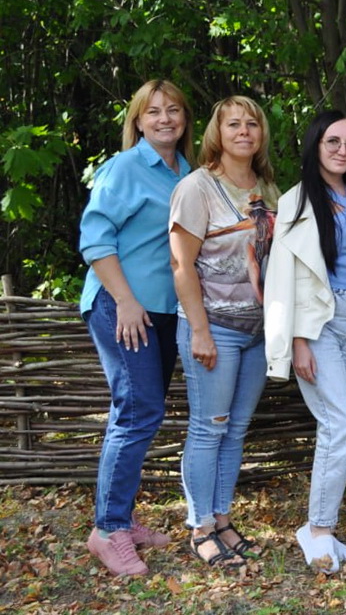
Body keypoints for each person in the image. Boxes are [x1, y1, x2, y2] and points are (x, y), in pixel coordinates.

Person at [79, 80, 193, 576]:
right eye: (154, 112)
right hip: (124, 306)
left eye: (173, 110)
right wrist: (124, 300)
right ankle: (107, 531)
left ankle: (121, 517)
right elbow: (94, 238)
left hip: (165, 311)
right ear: (138, 121)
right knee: (136, 410)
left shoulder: (187, 172)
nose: (165, 118)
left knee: (144, 411)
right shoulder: (124, 168)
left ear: (186, 118)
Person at [170, 95, 280, 569]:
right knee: (208, 428)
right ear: (218, 132)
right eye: (233, 124)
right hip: (214, 325)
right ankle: (199, 528)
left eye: (252, 123)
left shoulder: (269, 189)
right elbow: (181, 264)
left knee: (235, 431)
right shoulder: (197, 187)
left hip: (256, 331)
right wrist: (199, 331)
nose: (243, 131)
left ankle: (222, 517)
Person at [265, 111, 346, 572]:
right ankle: (318, 529)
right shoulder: (297, 201)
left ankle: (322, 527)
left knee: (340, 425)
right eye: (333, 141)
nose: (342, 150)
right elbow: (282, 276)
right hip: (320, 325)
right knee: (341, 424)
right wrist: (297, 340)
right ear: (316, 144)